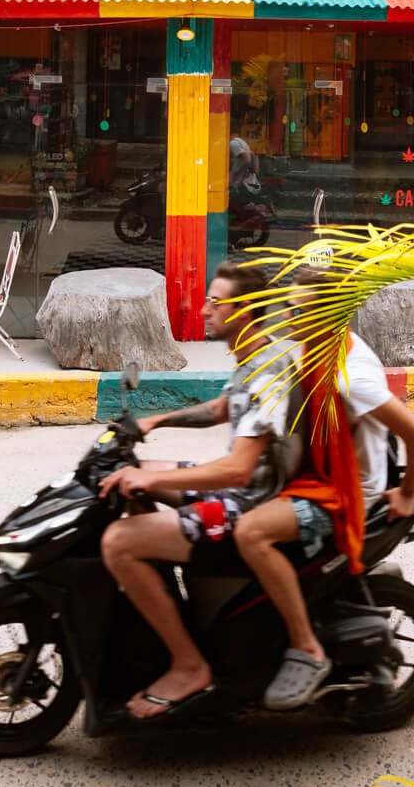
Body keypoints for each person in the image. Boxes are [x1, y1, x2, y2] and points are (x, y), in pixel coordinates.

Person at [98, 260, 296, 721]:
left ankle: (189, 665)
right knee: (133, 475)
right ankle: (170, 615)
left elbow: (238, 471)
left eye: (215, 301)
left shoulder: (267, 371)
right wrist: (156, 420)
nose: (204, 309)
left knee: (118, 542)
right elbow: (222, 409)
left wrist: (155, 480)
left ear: (244, 311)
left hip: (248, 506)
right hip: (241, 493)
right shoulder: (254, 355)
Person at [233, 265, 414, 712]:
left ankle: (307, 648)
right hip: (320, 474)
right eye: (289, 308)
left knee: (251, 532)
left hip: (345, 493)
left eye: (300, 311)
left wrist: (405, 494)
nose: (291, 317)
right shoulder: (317, 349)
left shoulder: (349, 374)